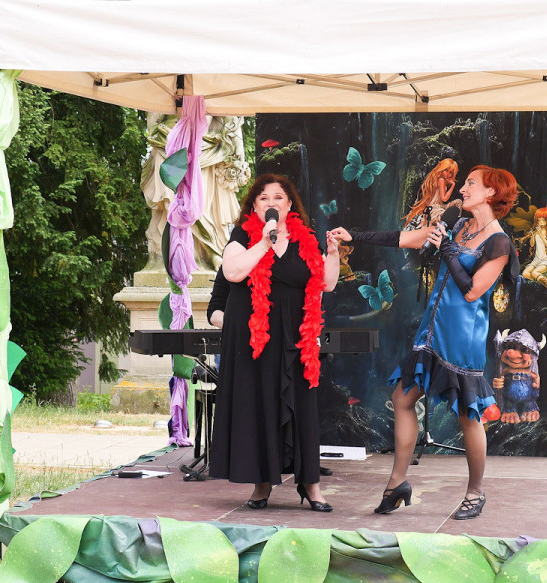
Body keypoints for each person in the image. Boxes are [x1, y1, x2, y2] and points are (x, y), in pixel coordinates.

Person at [330, 164, 519, 520]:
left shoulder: (499, 242)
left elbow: (472, 291)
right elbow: (405, 238)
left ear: (491, 192)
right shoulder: (458, 225)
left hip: (461, 339)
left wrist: (446, 248)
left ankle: (475, 492)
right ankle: (397, 483)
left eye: (471, 183)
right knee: (402, 398)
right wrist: (354, 236)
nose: (463, 188)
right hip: (431, 331)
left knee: (468, 415)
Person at [208, 173, 340, 511]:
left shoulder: (305, 239)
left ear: (290, 204)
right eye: (264, 198)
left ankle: (311, 486)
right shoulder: (242, 236)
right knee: (261, 407)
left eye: (278, 197)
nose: (271, 202)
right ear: (254, 206)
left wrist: (333, 253)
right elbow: (233, 272)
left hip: (296, 339)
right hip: (258, 341)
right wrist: (265, 242)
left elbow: (326, 283)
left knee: (302, 409)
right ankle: (262, 484)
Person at [402, 158, 460, 231]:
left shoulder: (439, 179)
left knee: (458, 202)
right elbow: (444, 198)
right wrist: (453, 185)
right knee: (455, 207)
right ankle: (454, 229)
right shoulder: (441, 180)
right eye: (446, 170)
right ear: (441, 169)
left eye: (451, 172)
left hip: (440, 206)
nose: (448, 174)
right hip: (434, 208)